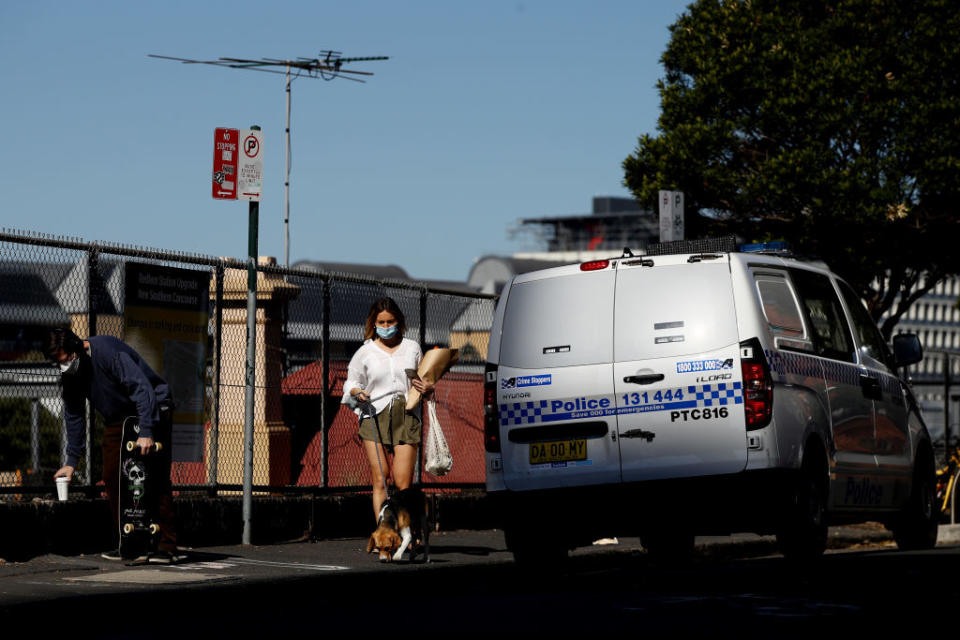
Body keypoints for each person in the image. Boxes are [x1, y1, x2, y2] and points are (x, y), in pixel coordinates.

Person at [47, 328, 180, 563]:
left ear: (78, 349)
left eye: (66, 360)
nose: (64, 367)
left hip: (153, 407)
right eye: (58, 363)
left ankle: (166, 546)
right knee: (111, 475)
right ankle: (129, 542)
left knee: (154, 477)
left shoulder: (108, 352)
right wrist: (71, 462)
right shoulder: (71, 374)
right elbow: (74, 414)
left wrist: (147, 431)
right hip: (119, 417)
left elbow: (142, 388)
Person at [343, 297, 433, 523]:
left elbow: (424, 379)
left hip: (406, 414)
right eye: (381, 322)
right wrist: (356, 391)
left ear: (399, 322)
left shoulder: (412, 347)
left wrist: (427, 386)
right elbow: (351, 381)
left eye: (390, 321)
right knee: (381, 477)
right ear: (373, 323)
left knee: (403, 482)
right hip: (373, 413)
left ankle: (406, 529)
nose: (385, 327)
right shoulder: (365, 352)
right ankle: (383, 532)